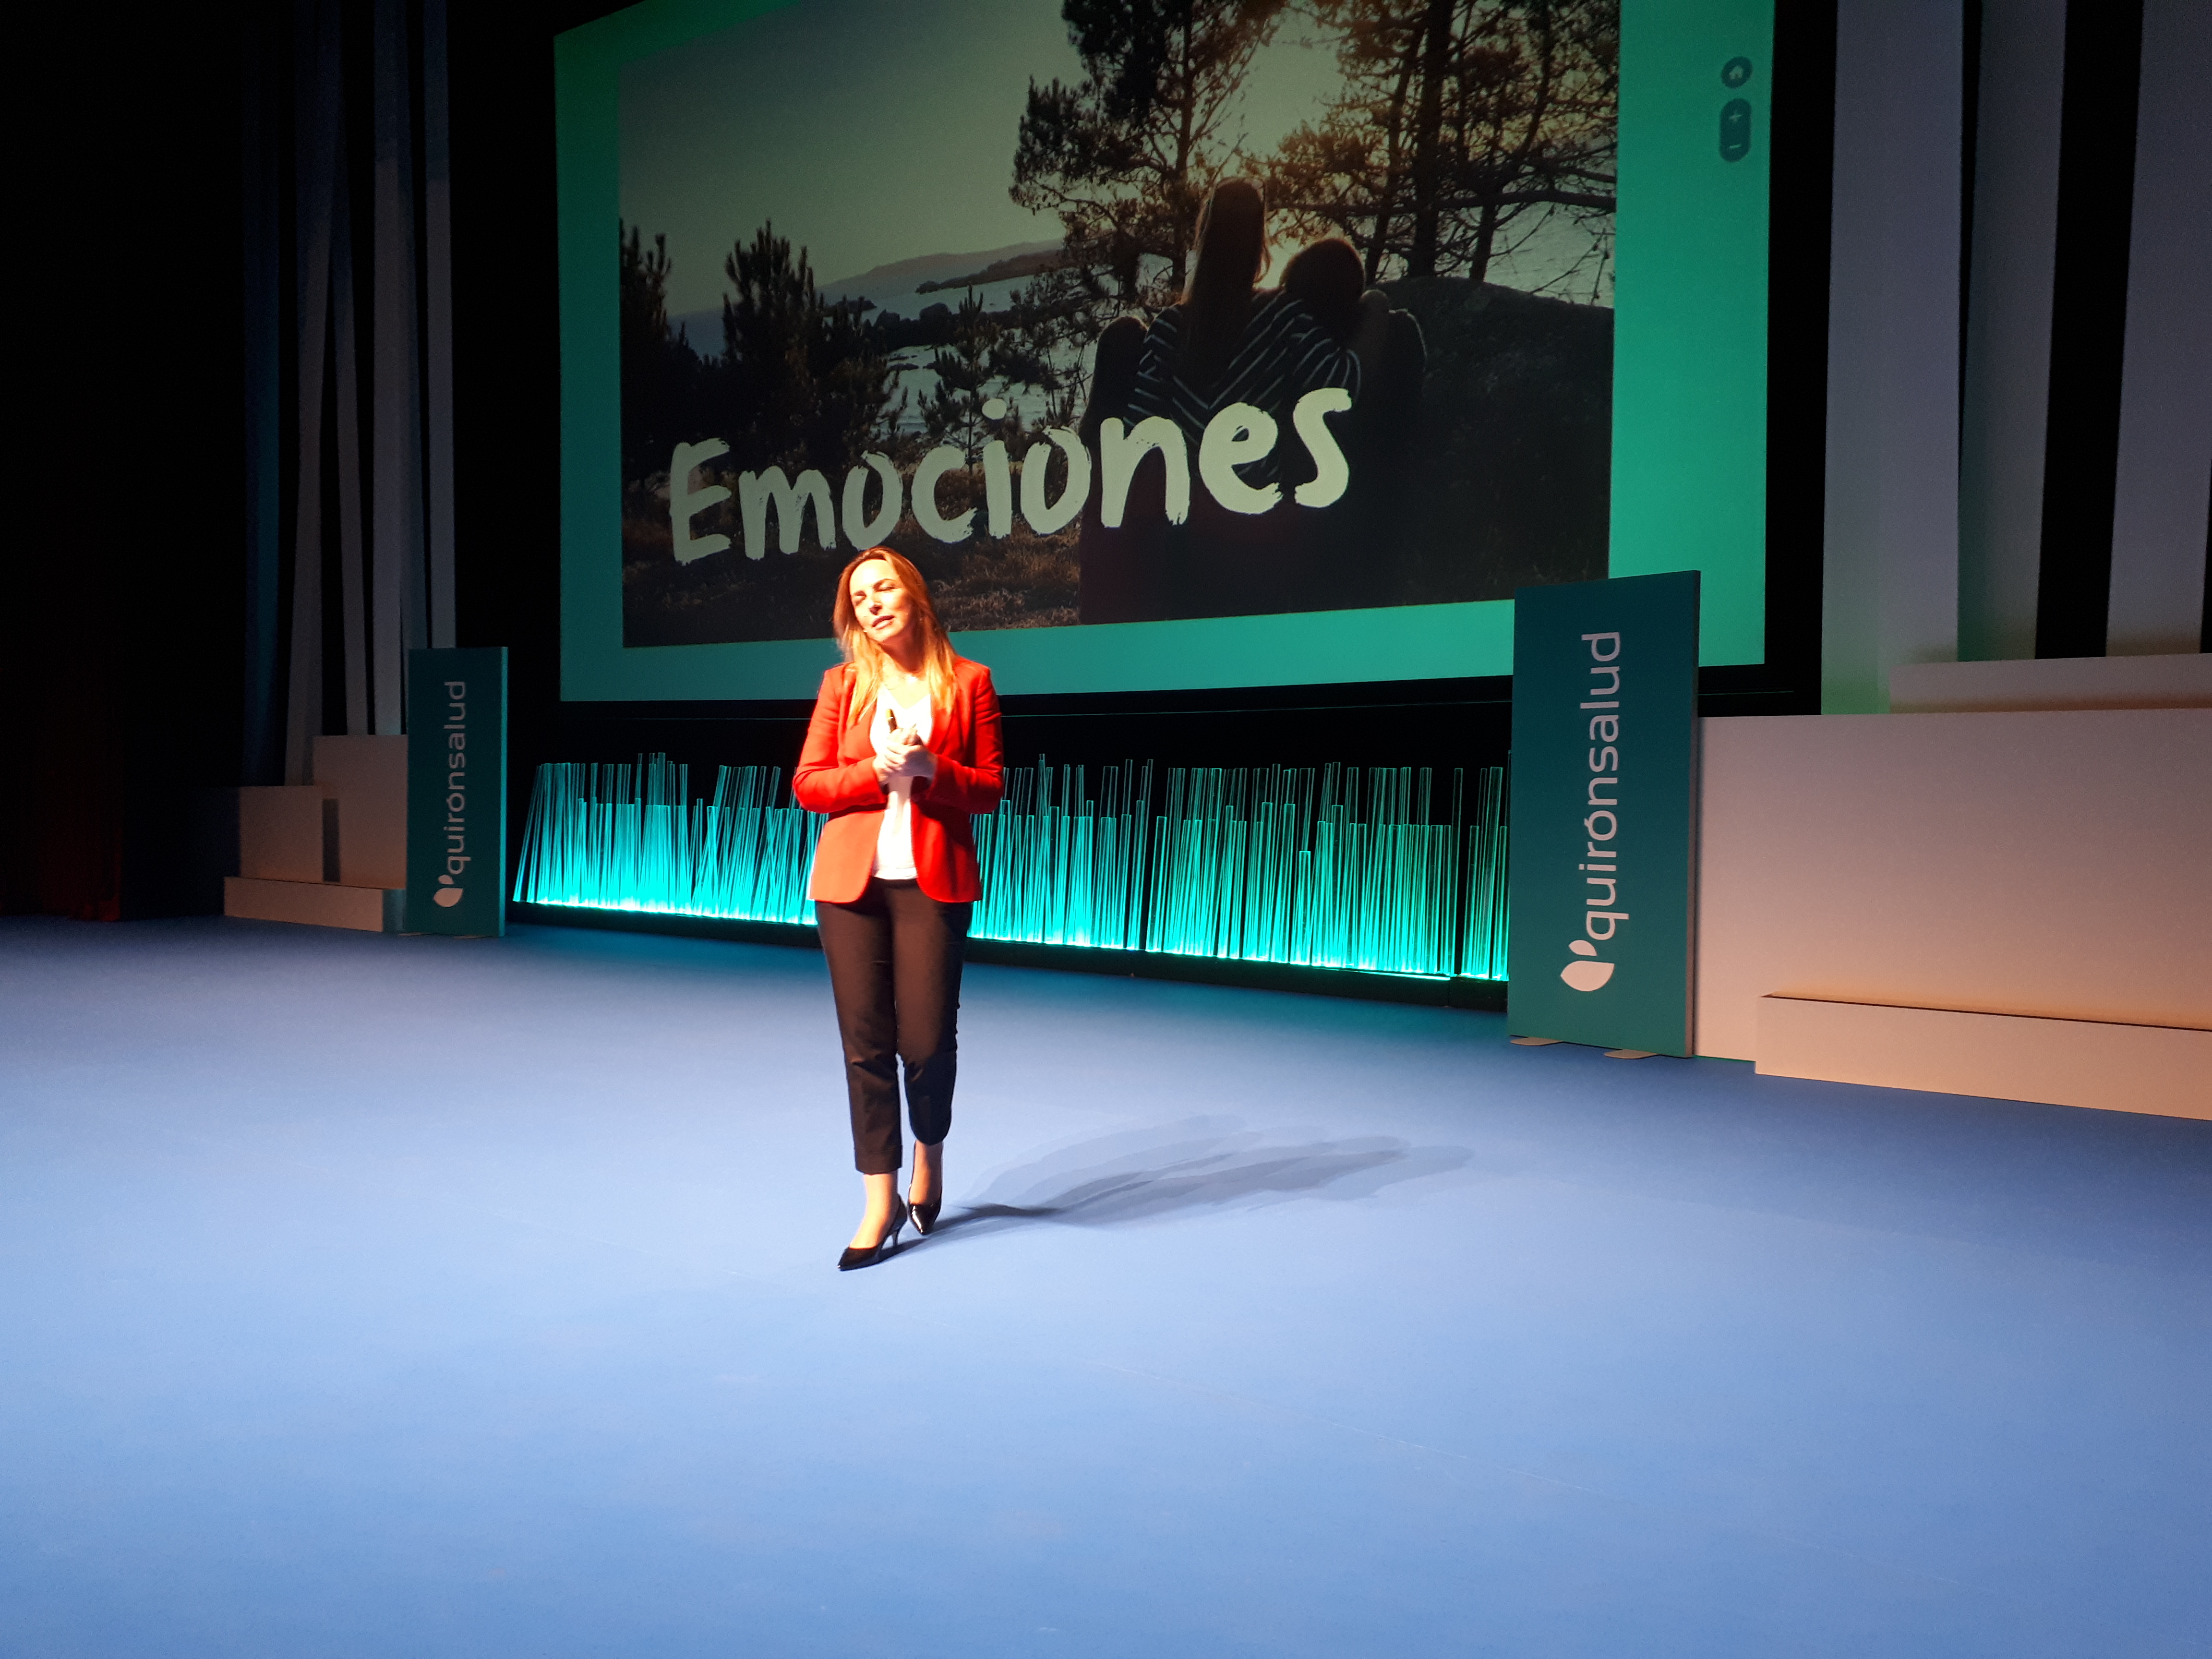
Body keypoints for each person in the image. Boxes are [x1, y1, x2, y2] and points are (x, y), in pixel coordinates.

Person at [793, 549, 1004, 1270]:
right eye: (859, 599)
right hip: (849, 887)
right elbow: (810, 784)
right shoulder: (842, 685)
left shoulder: (969, 682)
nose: (873, 604)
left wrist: (928, 770)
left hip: (932, 883)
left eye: (884, 588)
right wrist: (875, 774)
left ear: (914, 593)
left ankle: (930, 1154)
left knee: (926, 1044)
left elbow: (990, 787)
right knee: (865, 1047)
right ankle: (878, 1201)